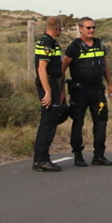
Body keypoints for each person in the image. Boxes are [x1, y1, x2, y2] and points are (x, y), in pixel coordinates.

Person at [62, 17, 112, 166]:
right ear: (80, 29)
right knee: (78, 122)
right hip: (80, 91)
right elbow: (62, 68)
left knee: (101, 122)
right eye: (88, 28)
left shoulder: (99, 44)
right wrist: (60, 90)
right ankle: (78, 155)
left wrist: (110, 84)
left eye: (93, 27)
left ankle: (99, 155)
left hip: (97, 90)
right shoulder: (74, 47)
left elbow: (104, 65)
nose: (91, 30)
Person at [32, 16, 67, 172]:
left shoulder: (52, 43)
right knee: (48, 123)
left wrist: (61, 90)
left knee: (53, 120)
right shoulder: (46, 43)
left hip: (55, 86)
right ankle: (41, 160)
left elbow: (58, 69)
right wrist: (47, 91)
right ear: (58, 28)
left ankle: (43, 158)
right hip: (49, 85)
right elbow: (41, 69)